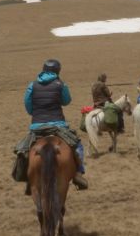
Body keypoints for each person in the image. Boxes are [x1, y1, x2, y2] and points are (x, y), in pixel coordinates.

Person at [13, 59, 88, 190]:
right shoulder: (61, 84)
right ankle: (78, 174)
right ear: (58, 71)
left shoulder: (32, 85)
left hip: (37, 127)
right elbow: (66, 101)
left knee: (23, 150)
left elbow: (29, 107)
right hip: (58, 125)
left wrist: (36, 113)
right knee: (78, 146)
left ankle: (27, 177)